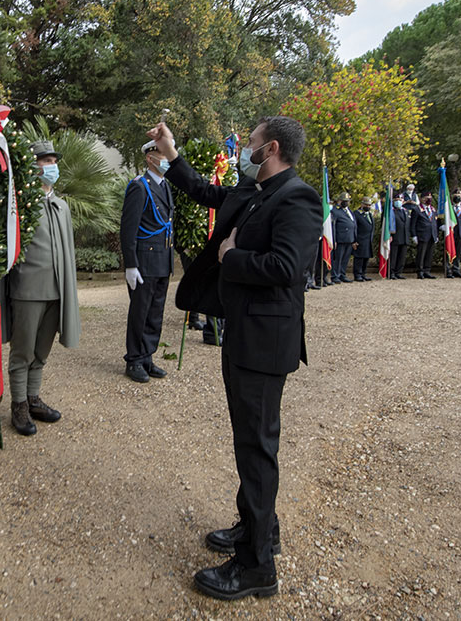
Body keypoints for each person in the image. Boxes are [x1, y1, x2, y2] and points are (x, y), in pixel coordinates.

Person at [151, 116, 322, 601]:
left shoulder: (297, 198)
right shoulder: (257, 192)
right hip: (247, 336)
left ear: (271, 149)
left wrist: (231, 257)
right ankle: (258, 528)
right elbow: (207, 192)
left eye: (250, 143)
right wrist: (171, 153)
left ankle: (256, 567)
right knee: (250, 442)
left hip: (265, 344)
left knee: (256, 447)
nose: (244, 149)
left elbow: (288, 267)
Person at [0, 140, 80, 436]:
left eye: (53, 161)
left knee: (42, 351)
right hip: (28, 290)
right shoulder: (18, 203)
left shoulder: (61, 206)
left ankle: (33, 398)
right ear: (32, 167)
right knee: (22, 351)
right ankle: (18, 405)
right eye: (45, 161)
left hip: (57, 290)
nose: (51, 166)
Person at [121, 140, 175, 382]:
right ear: (149, 158)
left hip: (162, 258)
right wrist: (131, 264)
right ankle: (134, 359)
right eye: (162, 154)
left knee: (155, 313)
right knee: (140, 312)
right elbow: (128, 228)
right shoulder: (140, 187)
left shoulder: (165, 185)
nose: (166, 159)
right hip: (145, 260)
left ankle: (147, 356)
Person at [330, 193, 356, 283]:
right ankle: (335, 275)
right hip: (340, 239)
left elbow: (354, 225)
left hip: (349, 239)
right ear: (339, 201)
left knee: (345, 259)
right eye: (344, 201)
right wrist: (334, 240)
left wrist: (354, 239)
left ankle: (342, 274)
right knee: (338, 259)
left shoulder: (349, 211)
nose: (346, 203)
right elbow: (333, 227)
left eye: (347, 201)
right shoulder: (335, 211)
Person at [413, 190, 438, 279]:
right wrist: (414, 235)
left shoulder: (433, 209)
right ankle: (420, 271)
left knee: (429, 254)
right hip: (422, 235)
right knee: (421, 254)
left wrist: (436, 234)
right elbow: (413, 224)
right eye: (426, 198)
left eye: (430, 198)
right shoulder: (417, 209)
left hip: (432, 235)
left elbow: (435, 223)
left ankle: (427, 270)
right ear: (421, 199)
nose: (428, 199)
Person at [389, 191, 414, 279]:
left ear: (403, 201)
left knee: (402, 256)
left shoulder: (406, 211)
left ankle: (398, 272)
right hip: (395, 237)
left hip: (404, 236)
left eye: (400, 200)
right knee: (393, 256)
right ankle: (391, 272)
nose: (398, 201)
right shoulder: (391, 211)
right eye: (396, 200)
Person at [446, 188, 461, 278]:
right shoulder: (449, 207)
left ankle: (456, 269)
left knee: (458, 253)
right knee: (449, 252)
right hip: (451, 233)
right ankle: (448, 270)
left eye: (459, 194)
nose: (458, 196)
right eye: (456, 194)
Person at [352, 197, 376, 281]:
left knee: (366, 258)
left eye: (369, 205)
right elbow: (354, 228)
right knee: (359, 258)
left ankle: (363, 273)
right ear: (362, 204)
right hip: (360, 239)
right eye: (366, 205)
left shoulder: (369, 214)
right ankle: (357, 274)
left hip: (368, 240)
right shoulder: (357, 214)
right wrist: (354, 240)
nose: (368, 206)